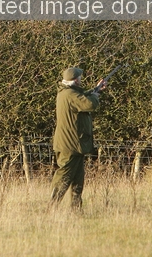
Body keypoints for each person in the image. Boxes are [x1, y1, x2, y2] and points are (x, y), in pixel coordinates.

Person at [49, 67, 105, 210]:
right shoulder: (69, 94)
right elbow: (89, 104)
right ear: (75, 80)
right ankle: (52, 207)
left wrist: (96, 89)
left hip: (74, 144)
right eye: (79, 77)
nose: (81, 79)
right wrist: (95, 96)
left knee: (77, 180)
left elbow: (82, 97)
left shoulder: (66, 93)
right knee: (64, 176)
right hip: (70, 145)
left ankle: (76, 209)